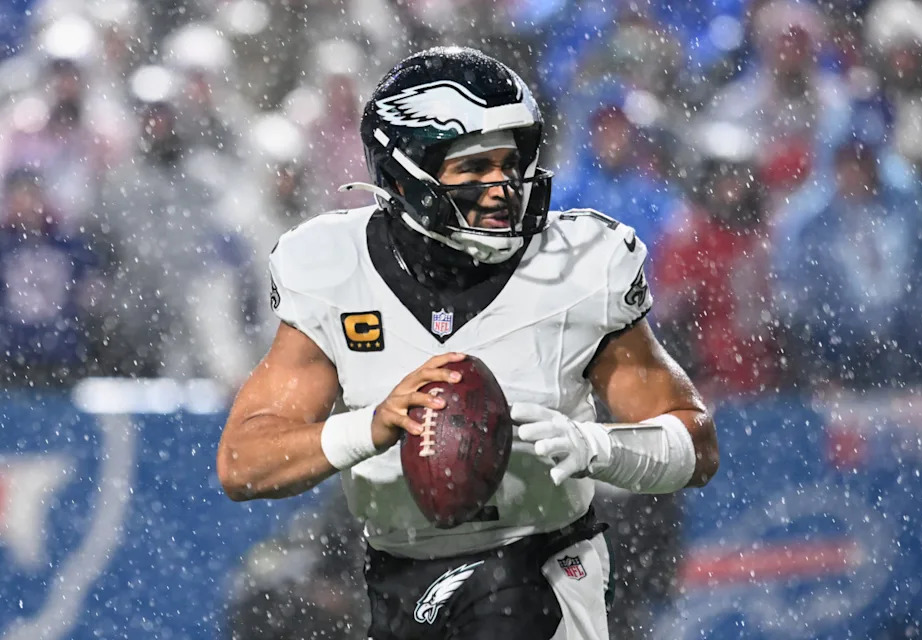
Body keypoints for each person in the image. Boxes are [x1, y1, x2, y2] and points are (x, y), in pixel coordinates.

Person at [217, 47, 719, 640]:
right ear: (405, 176)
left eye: (510, 163)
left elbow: (697, 446)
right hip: (400, 574)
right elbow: (242, 464)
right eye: (475, 168)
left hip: (544, 562)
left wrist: (596, 446)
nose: (502, 187)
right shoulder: (333, 268)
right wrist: (369, 428)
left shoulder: (580, 266)